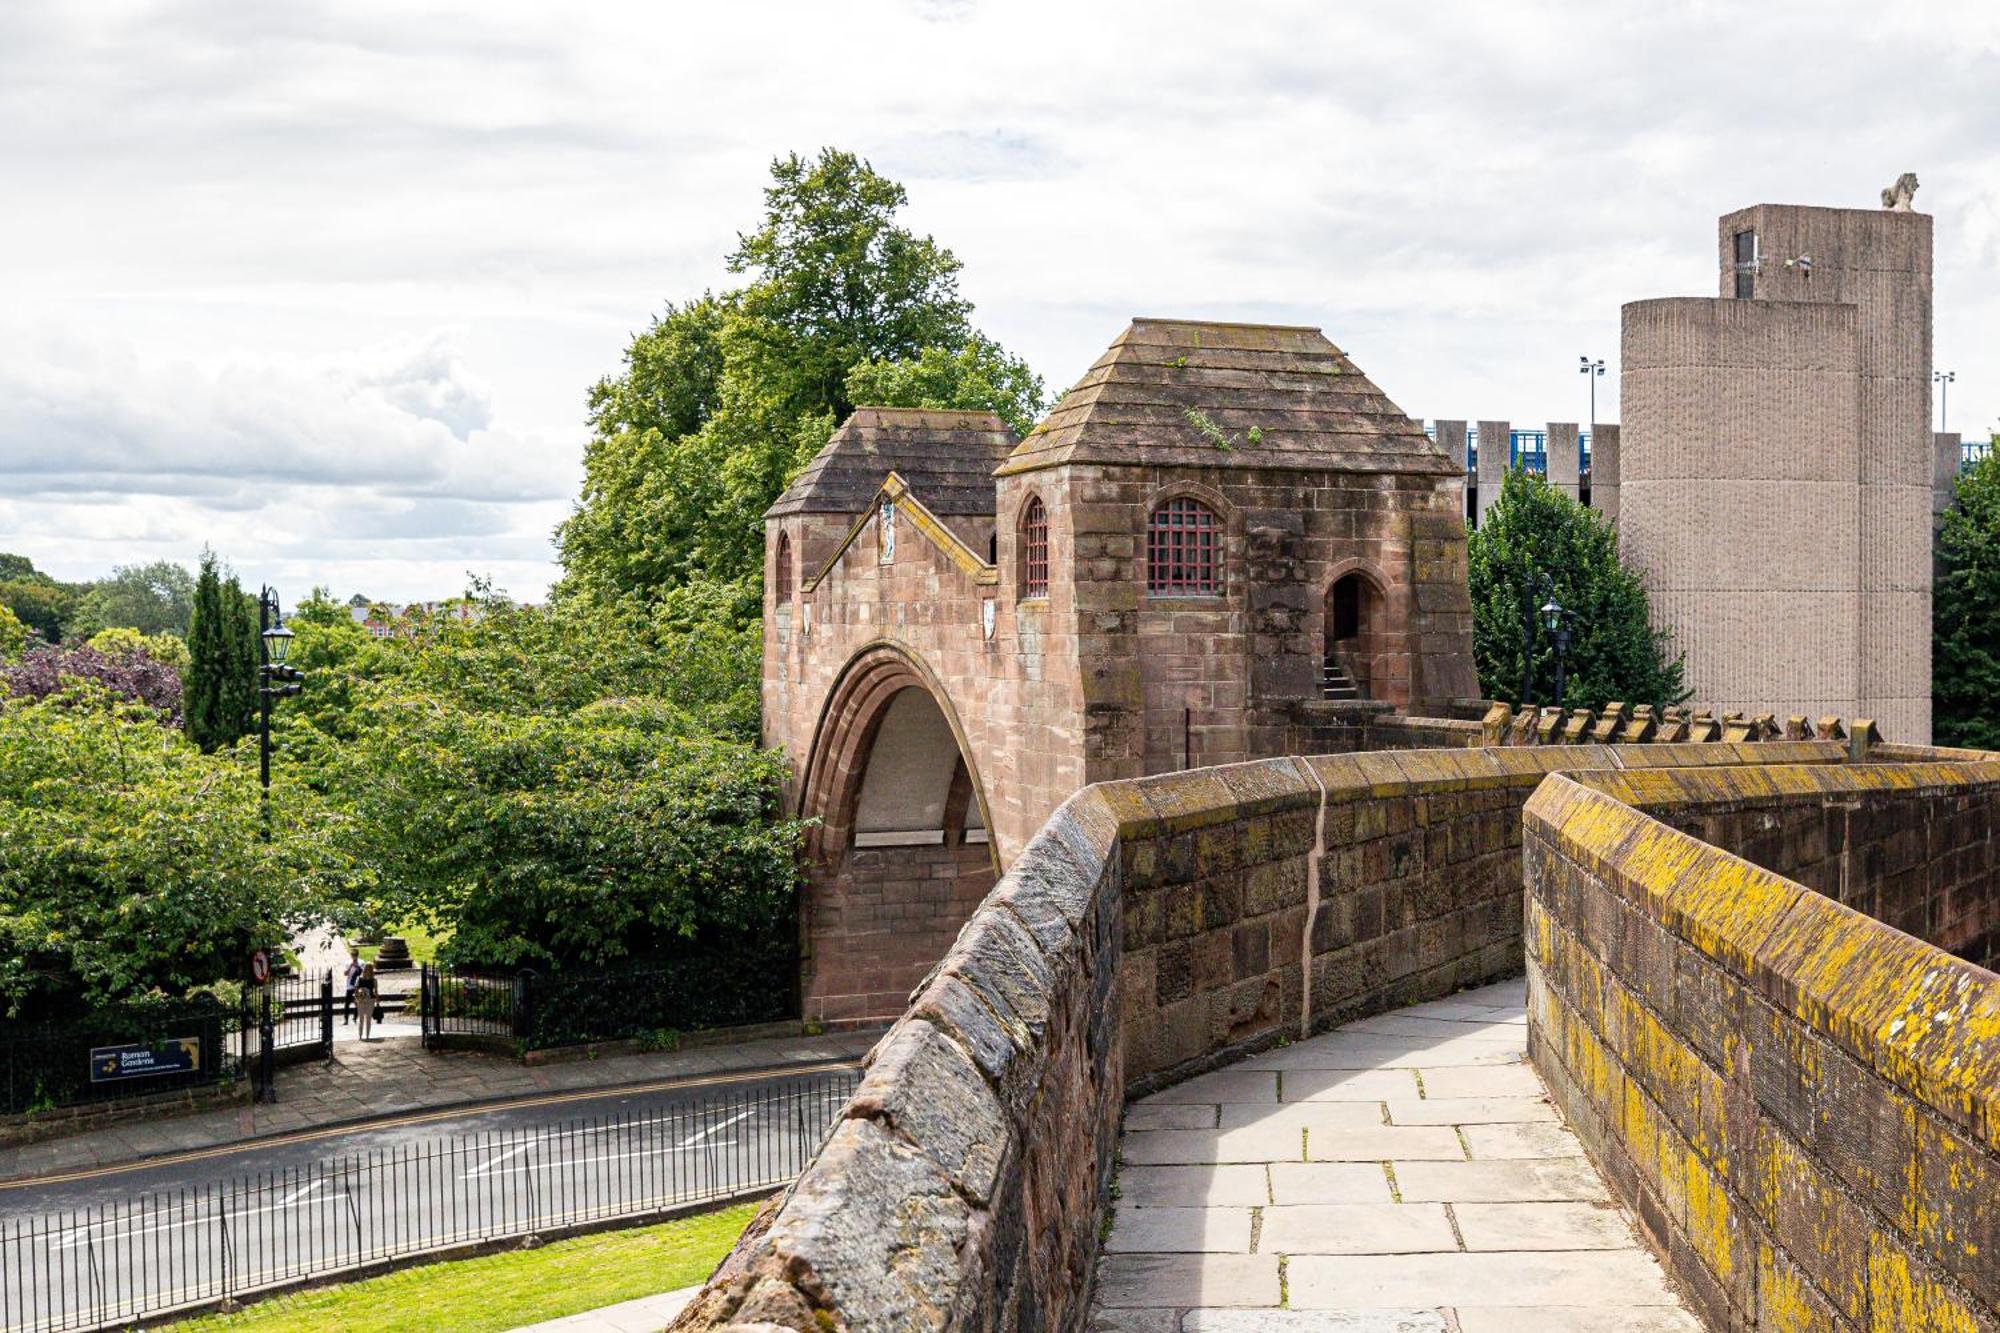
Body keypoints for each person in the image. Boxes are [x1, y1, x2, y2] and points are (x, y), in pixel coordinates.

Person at [355, 963, 380, 1041]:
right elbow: (375, 992)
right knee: (365, 1019)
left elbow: (355, 989)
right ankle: (364, 1035)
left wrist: (356, 998)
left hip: (365, 1000)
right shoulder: (371, 980)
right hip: (366, 1000)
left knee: (364, 1019)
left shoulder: (361, 979)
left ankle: (363, 1035)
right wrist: (378, 1002)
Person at [342, 949, 363, 1026]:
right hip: (349, 985)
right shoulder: (348, 963)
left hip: (358, 985)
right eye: (352, 955)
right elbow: (345, 973)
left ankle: (355, 1018)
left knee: (358, 1002)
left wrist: (358, 967)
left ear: (357, 955)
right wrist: (350, 966)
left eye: (355, 955)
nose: (354, 957)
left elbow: (363, 973)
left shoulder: (361, 962)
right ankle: (346, 1019)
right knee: (347, 1003)